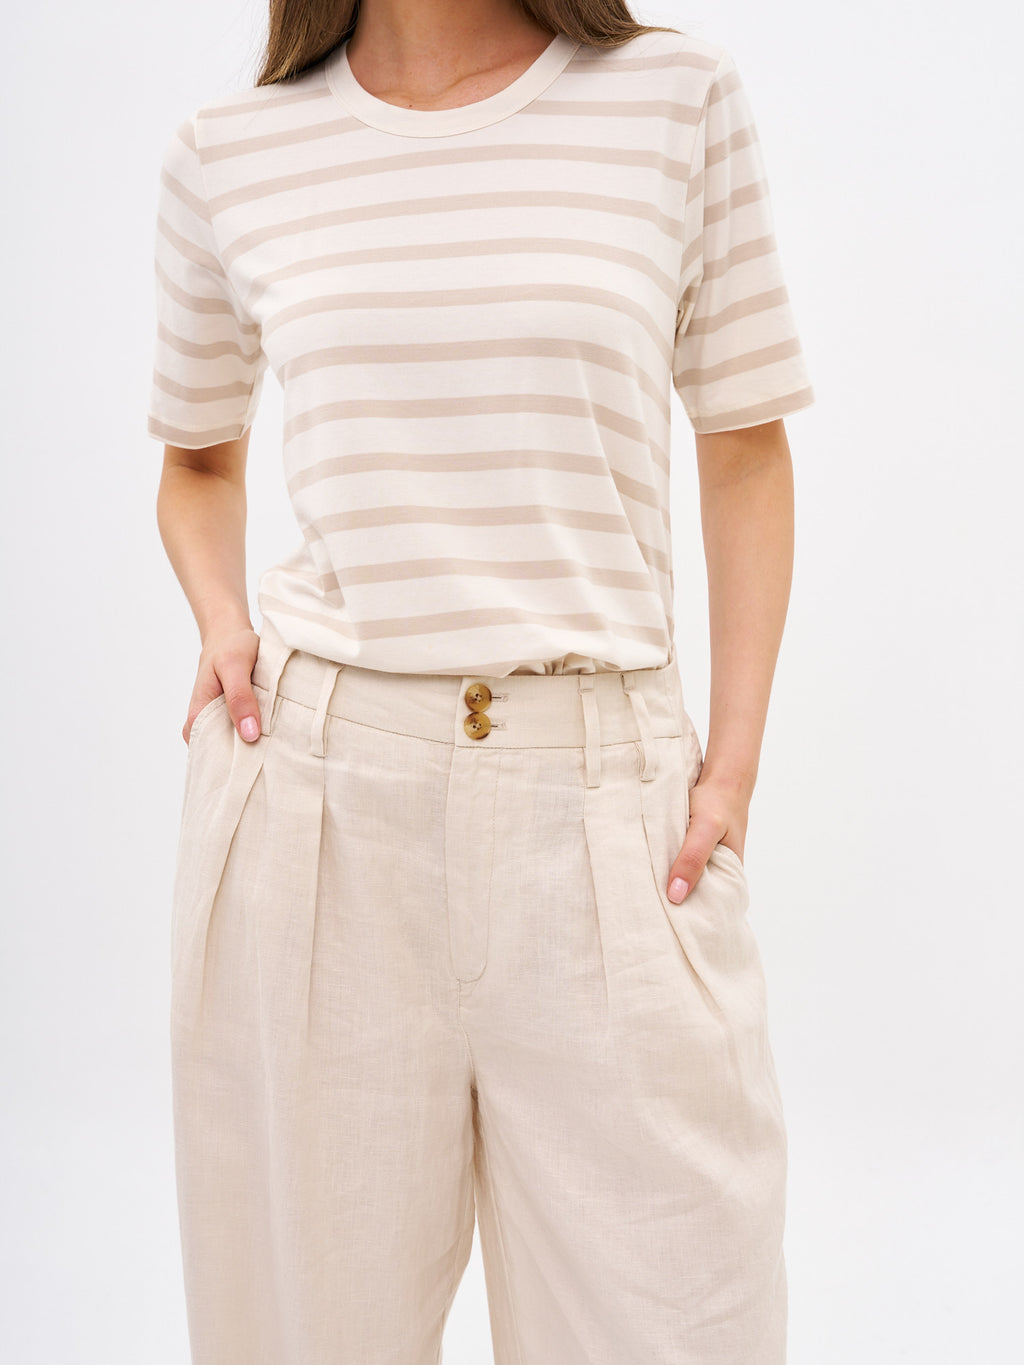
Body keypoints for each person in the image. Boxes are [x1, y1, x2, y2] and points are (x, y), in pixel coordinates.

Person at [148, 1, 815, 1361]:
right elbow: (198, 460)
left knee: (679, 1318)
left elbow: (746, 444)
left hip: (609, 816)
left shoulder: (674, 100)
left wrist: (733, 768)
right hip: (316, 814)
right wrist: (221, 617)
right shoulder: (231, 150)